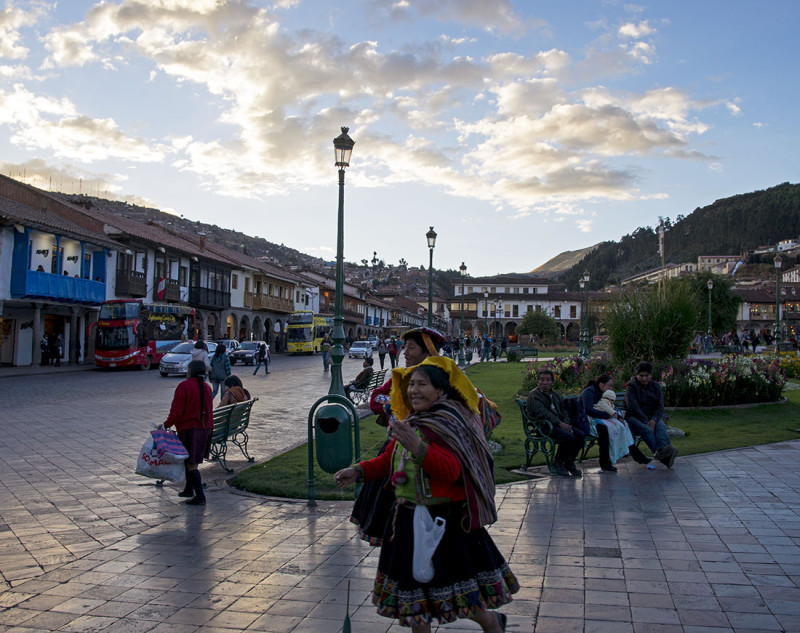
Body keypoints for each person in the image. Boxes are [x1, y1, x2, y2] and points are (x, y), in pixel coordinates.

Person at [335, 357, 518, 632]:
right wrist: (358, 471)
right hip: (407, 521)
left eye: (422, 384)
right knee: (415, 601)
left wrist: (419, 448)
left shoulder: (451, 423)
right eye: (411, 385)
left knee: (458, 592)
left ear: (441, 391)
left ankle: (492, 624)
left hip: (447, 523)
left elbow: (454, 471)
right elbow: (389, 460)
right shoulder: (413, 421)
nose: (413, 390)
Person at [163, 360, 213, 505]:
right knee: (189, 460)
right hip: (204, 429)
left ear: (189, 371)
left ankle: (200, 496)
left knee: (191, 463)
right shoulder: (206, 387)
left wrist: (166, 424)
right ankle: (188, 488)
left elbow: (176, 411)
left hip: (189, 429)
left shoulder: (184, 386)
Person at [580, 374, 651, 472]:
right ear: (601, 384)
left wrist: (619, 417)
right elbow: (588, 410)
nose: (611, 388)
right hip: (588, 421)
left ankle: (638, 456)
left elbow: (611, 408)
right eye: (609, 385)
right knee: (604, 430)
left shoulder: (604, 394)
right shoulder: (589, 392)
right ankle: (605, 463)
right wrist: (608, 416)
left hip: (601, 419)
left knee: (623, 426)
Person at [526, 369, 585, 477]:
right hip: (543, 426)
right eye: (542, 380)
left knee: (580, 435)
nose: (544, 383)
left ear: (552, 382)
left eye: (548, 380)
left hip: (559, 425)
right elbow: (543, 413)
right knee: (568, 437)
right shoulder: (534, 395)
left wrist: (566, 423)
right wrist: (560, 424)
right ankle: (558, 462)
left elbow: (564, 411)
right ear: (538, 381)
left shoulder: (555, 395)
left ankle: (569, 461)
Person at [625, 361, 678, 468]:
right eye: (641, 376)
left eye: (647, 375)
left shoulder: (655, 386)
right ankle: (662, 453)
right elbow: (633, 407)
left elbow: (660, 406)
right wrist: (646, 421)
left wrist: (653, 419)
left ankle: (663, 452)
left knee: (661, 428)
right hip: (634, 417)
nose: (644, 378)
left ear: (651, 375)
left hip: (652, 416)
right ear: (637, 375)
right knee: (647, 430)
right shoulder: (631, 387)